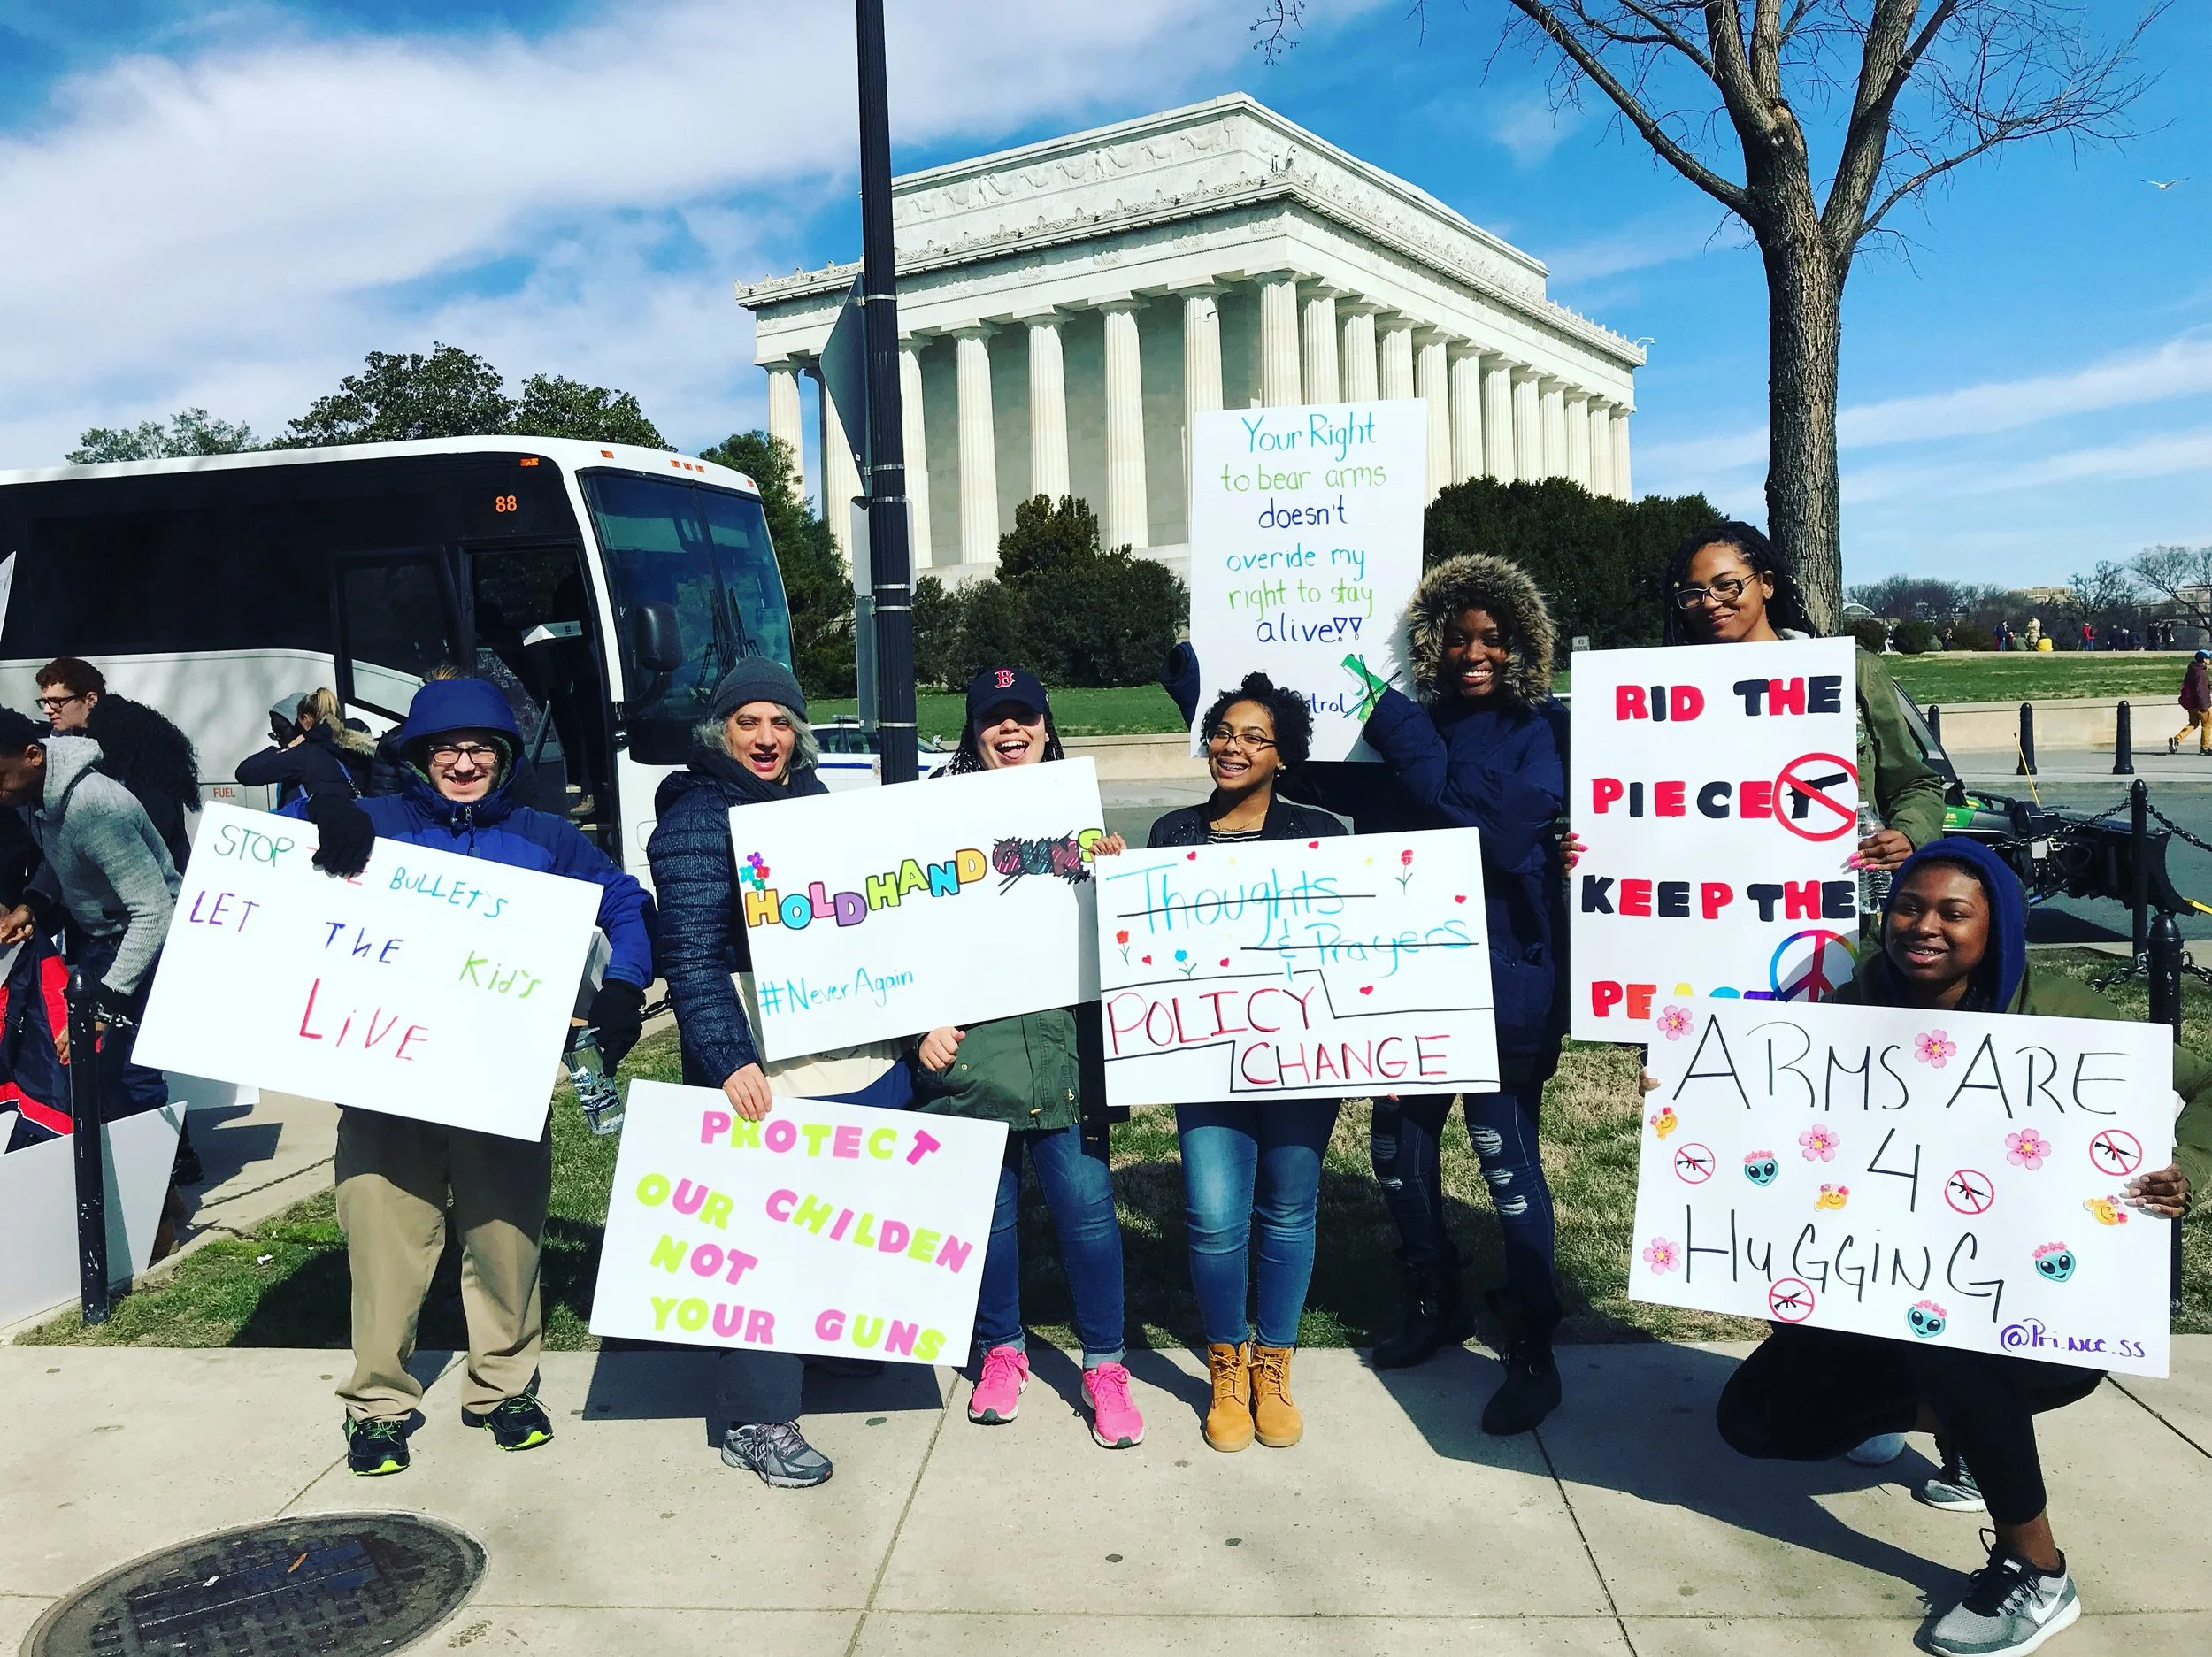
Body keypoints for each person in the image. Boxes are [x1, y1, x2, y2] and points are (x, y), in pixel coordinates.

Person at [1710, 838, 2208, 1657]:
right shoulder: (1848, 1009)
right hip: (1893, 1277)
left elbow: (2202, 1086)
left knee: (1950, 1346)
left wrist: (2185, 1169)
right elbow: (1764, 1111)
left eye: (1953, 911)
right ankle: (1974, 1435)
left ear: (1997, 923)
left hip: (2045, 1304)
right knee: (1755, 1421)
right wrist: (1689, 1090)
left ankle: (2037, 1568)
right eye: (1908, 905)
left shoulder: (2060, 1010)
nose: (1923, 925)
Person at [296, 678, 652, 1478]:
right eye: (447, 747)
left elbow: (624, 900)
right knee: (386, 1242)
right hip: (385, 1075)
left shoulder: (544, 836)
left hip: (501, 1080)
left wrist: (625, 980)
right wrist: (322, 799)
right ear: (420, 757)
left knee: (506, 1237)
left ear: (505, 755)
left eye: (482, 747)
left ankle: (503, 1386)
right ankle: (379, 1403)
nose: (464, 761)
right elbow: (269, 870)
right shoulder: (377, 824)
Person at [647, 657, 915, 1489]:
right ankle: (756, 1418)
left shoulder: (813, 805)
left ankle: (826, 1346)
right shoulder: (696, 819)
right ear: (720, 731)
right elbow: (688, 956)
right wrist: (730, 1059)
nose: (766, 738)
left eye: (779, 722)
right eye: (748, 722)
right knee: (765, 1235)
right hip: (760, 1051)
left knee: (832, 1208)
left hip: (838, 1042)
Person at [915, 666, 1143, 1449]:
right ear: (974, 733)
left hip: (1059, 1052)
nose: (1010, 731)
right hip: (973, 1056)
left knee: (1086, 1212)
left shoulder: (1076, 817)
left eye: (1024, 717)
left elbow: (1114, 946)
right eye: (993, 719)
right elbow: (899, 933)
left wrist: (1114, 880)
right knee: (989, 1218)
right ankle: (1001, 1351)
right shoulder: (933, 819)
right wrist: (920, 1026)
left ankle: (1105, 1365)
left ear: (1047, 725)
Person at [1144, 671, 1348, 1452]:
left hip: (1300, 1056)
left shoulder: (1319, 830)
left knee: (1290, 1210)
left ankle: (1275, 1365)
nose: (1233, 746)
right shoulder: (1171, 832)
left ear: (1284, 756)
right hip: (1204, 1056)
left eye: (1255, 736)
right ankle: (1225, 1365)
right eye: (1224, 731)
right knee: (1214, 1216)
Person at [1655, 522, 1946, 878]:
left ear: (1766, 584)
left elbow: (1914, 784)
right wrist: (1590, 847)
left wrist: (1908, 834)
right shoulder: (1660, 698)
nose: (1711, 603)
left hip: (1833, 908)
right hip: (1715, 905)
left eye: (1726, 585)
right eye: (1693, 593)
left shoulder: (1850, 672)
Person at [0, 707, 188, 1247]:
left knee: (121, 1076)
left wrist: (106, 1002)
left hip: (142, 940)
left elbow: (155, 910)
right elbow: (60, 861)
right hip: (96, 936)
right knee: (93, 1077)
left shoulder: (93, 805)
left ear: (34, 757)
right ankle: (162, 1190)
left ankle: (155, 1215)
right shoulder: (32, 795)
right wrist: (33, 904)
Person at [237, 691, 361, 806]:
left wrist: (290, 746)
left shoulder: (304, 756)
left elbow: (245, 773)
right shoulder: (356, 745)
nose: (278, 739)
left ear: (302, 723)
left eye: (281, 731)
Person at [2170, 650, 2211, 756]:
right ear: (2203, 660)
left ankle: (2178, 738)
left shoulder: (2191, 670)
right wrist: (2205, 706)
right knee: (2207, 725)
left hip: (2191, 704)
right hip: (2201, 704)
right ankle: (2205, 748)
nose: (2209, 660)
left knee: (2193, 723)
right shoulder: (2200, 673)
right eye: (2208, 658)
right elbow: (2200, 690)